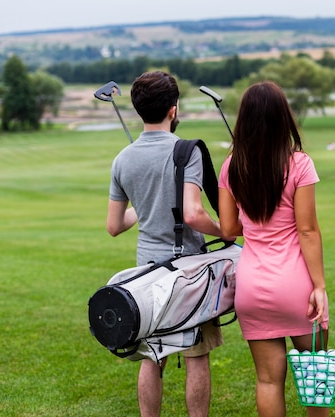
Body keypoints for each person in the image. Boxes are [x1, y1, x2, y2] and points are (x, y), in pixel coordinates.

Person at [106, 70, 230, 417]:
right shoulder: (186, 151)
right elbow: (193, 214)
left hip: (145, 274)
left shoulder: (122, 159)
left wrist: (144, 208)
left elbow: (114, 225)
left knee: (150, 357)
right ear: (173, 110)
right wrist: (224, 231)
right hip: (188, 272)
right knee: (197, 356)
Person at [218, 81, 330, 417]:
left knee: (268, 381)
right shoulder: (299, 164)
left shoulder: (232, 166)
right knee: (315, 378)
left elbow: (228, 230)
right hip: (296, 285)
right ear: (284, 117)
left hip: (253, 287)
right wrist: (320, 285)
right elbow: (307, 230)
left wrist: (252, 217)